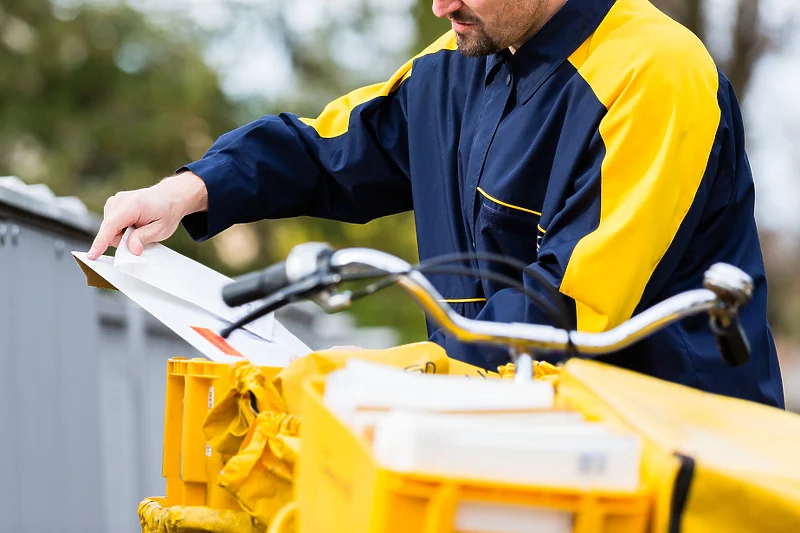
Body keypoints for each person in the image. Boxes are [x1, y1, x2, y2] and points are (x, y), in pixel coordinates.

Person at [89, 0, 785, 408]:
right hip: (509, 444)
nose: (440, 5)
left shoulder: (658, 76)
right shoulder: (461, 60)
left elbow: (561, 315)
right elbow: (329, 151)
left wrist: (380, 381)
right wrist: (188, 189)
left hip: (671, 469)